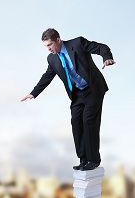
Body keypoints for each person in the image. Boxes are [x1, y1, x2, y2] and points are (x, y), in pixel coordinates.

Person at [21, 28, 115, 171]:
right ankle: (83, 159)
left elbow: (100, 47)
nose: (48, 49)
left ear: (58, 40)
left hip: (93, 89)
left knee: (88, 120)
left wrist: (106, 57)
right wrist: (34, 93)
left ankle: (93, 160)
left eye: (49, 45)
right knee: (76, 122)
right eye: (46, 46)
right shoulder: (52, 58)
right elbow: (47, 76)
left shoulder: (77, 43)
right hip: (77, 94)